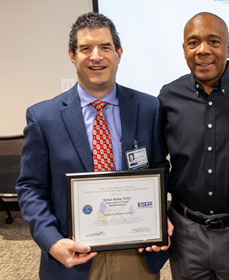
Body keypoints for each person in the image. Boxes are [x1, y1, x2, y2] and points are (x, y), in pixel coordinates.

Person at [16, 12, 171, 280]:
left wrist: (158, 216)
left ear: (119, 53)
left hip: (136, 253)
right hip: (73, 257)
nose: (96, 56)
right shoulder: (44, 117)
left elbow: (158, 168)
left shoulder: (148, 108)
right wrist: (52, 242)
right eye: (86, 48)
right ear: (72, 55)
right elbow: (31, 188)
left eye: (105, 47)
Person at [158, 12, 229, 280]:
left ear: (228, 47)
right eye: (193, 42)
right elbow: (158, 161)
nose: (203, 50)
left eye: (213, 41)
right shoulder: (168, 97)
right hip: (186, 233)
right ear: (184, 49)